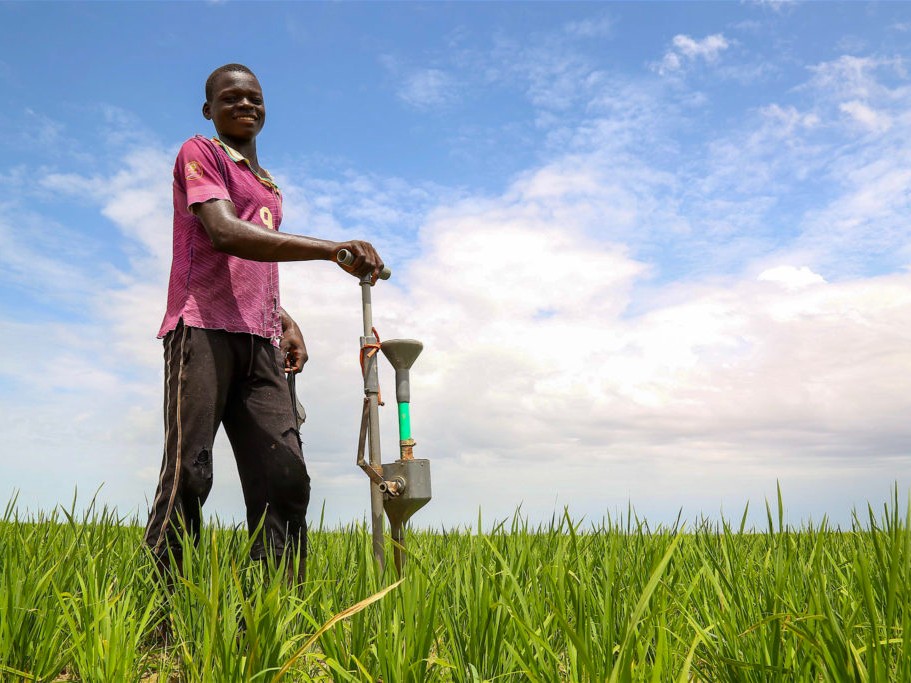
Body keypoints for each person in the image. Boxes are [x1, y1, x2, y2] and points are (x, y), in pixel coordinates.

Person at [143, 63, 384, 582]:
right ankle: (158, 619)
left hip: (259, 339)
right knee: (190, 473)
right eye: (230, 98)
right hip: (201, 329)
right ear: (209, 110)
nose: (245, 105)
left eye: (253, 98)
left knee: (285, 474)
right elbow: (225, 234)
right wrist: (333, 250)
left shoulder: (267, 184)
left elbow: (254, 263)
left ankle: (273, 615)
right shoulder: (201, 153)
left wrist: (282, 317)